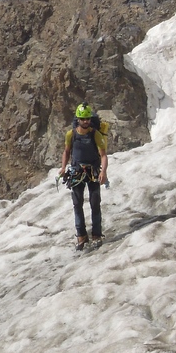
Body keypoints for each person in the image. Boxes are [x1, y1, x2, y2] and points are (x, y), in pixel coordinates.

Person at [59, 102, 108, 250]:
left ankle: (96, 235)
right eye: (83, 119)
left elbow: (103, 155)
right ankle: (81, 236)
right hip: (76, 171)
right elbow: (67, 152)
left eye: (87, 119)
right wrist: (63, 167)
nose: (86, 121)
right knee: (77, 203)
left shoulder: (95, 134)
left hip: (92, 171)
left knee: (94, 203)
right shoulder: (71, 135)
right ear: (78, 119)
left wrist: (103, 172)